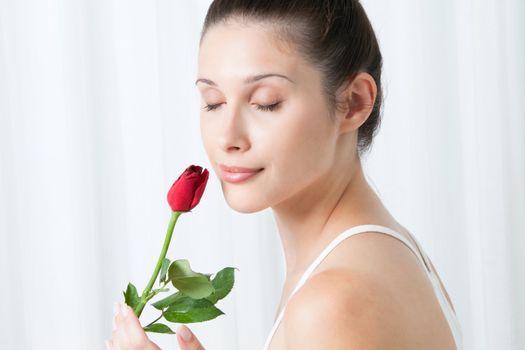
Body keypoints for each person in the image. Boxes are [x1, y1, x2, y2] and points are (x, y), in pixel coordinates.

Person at [106, 1, 463, 349]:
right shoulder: (380, 252)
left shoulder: (332, 303)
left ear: (354, 102)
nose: (227, 138)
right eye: (214, 101)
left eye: (266, 102)